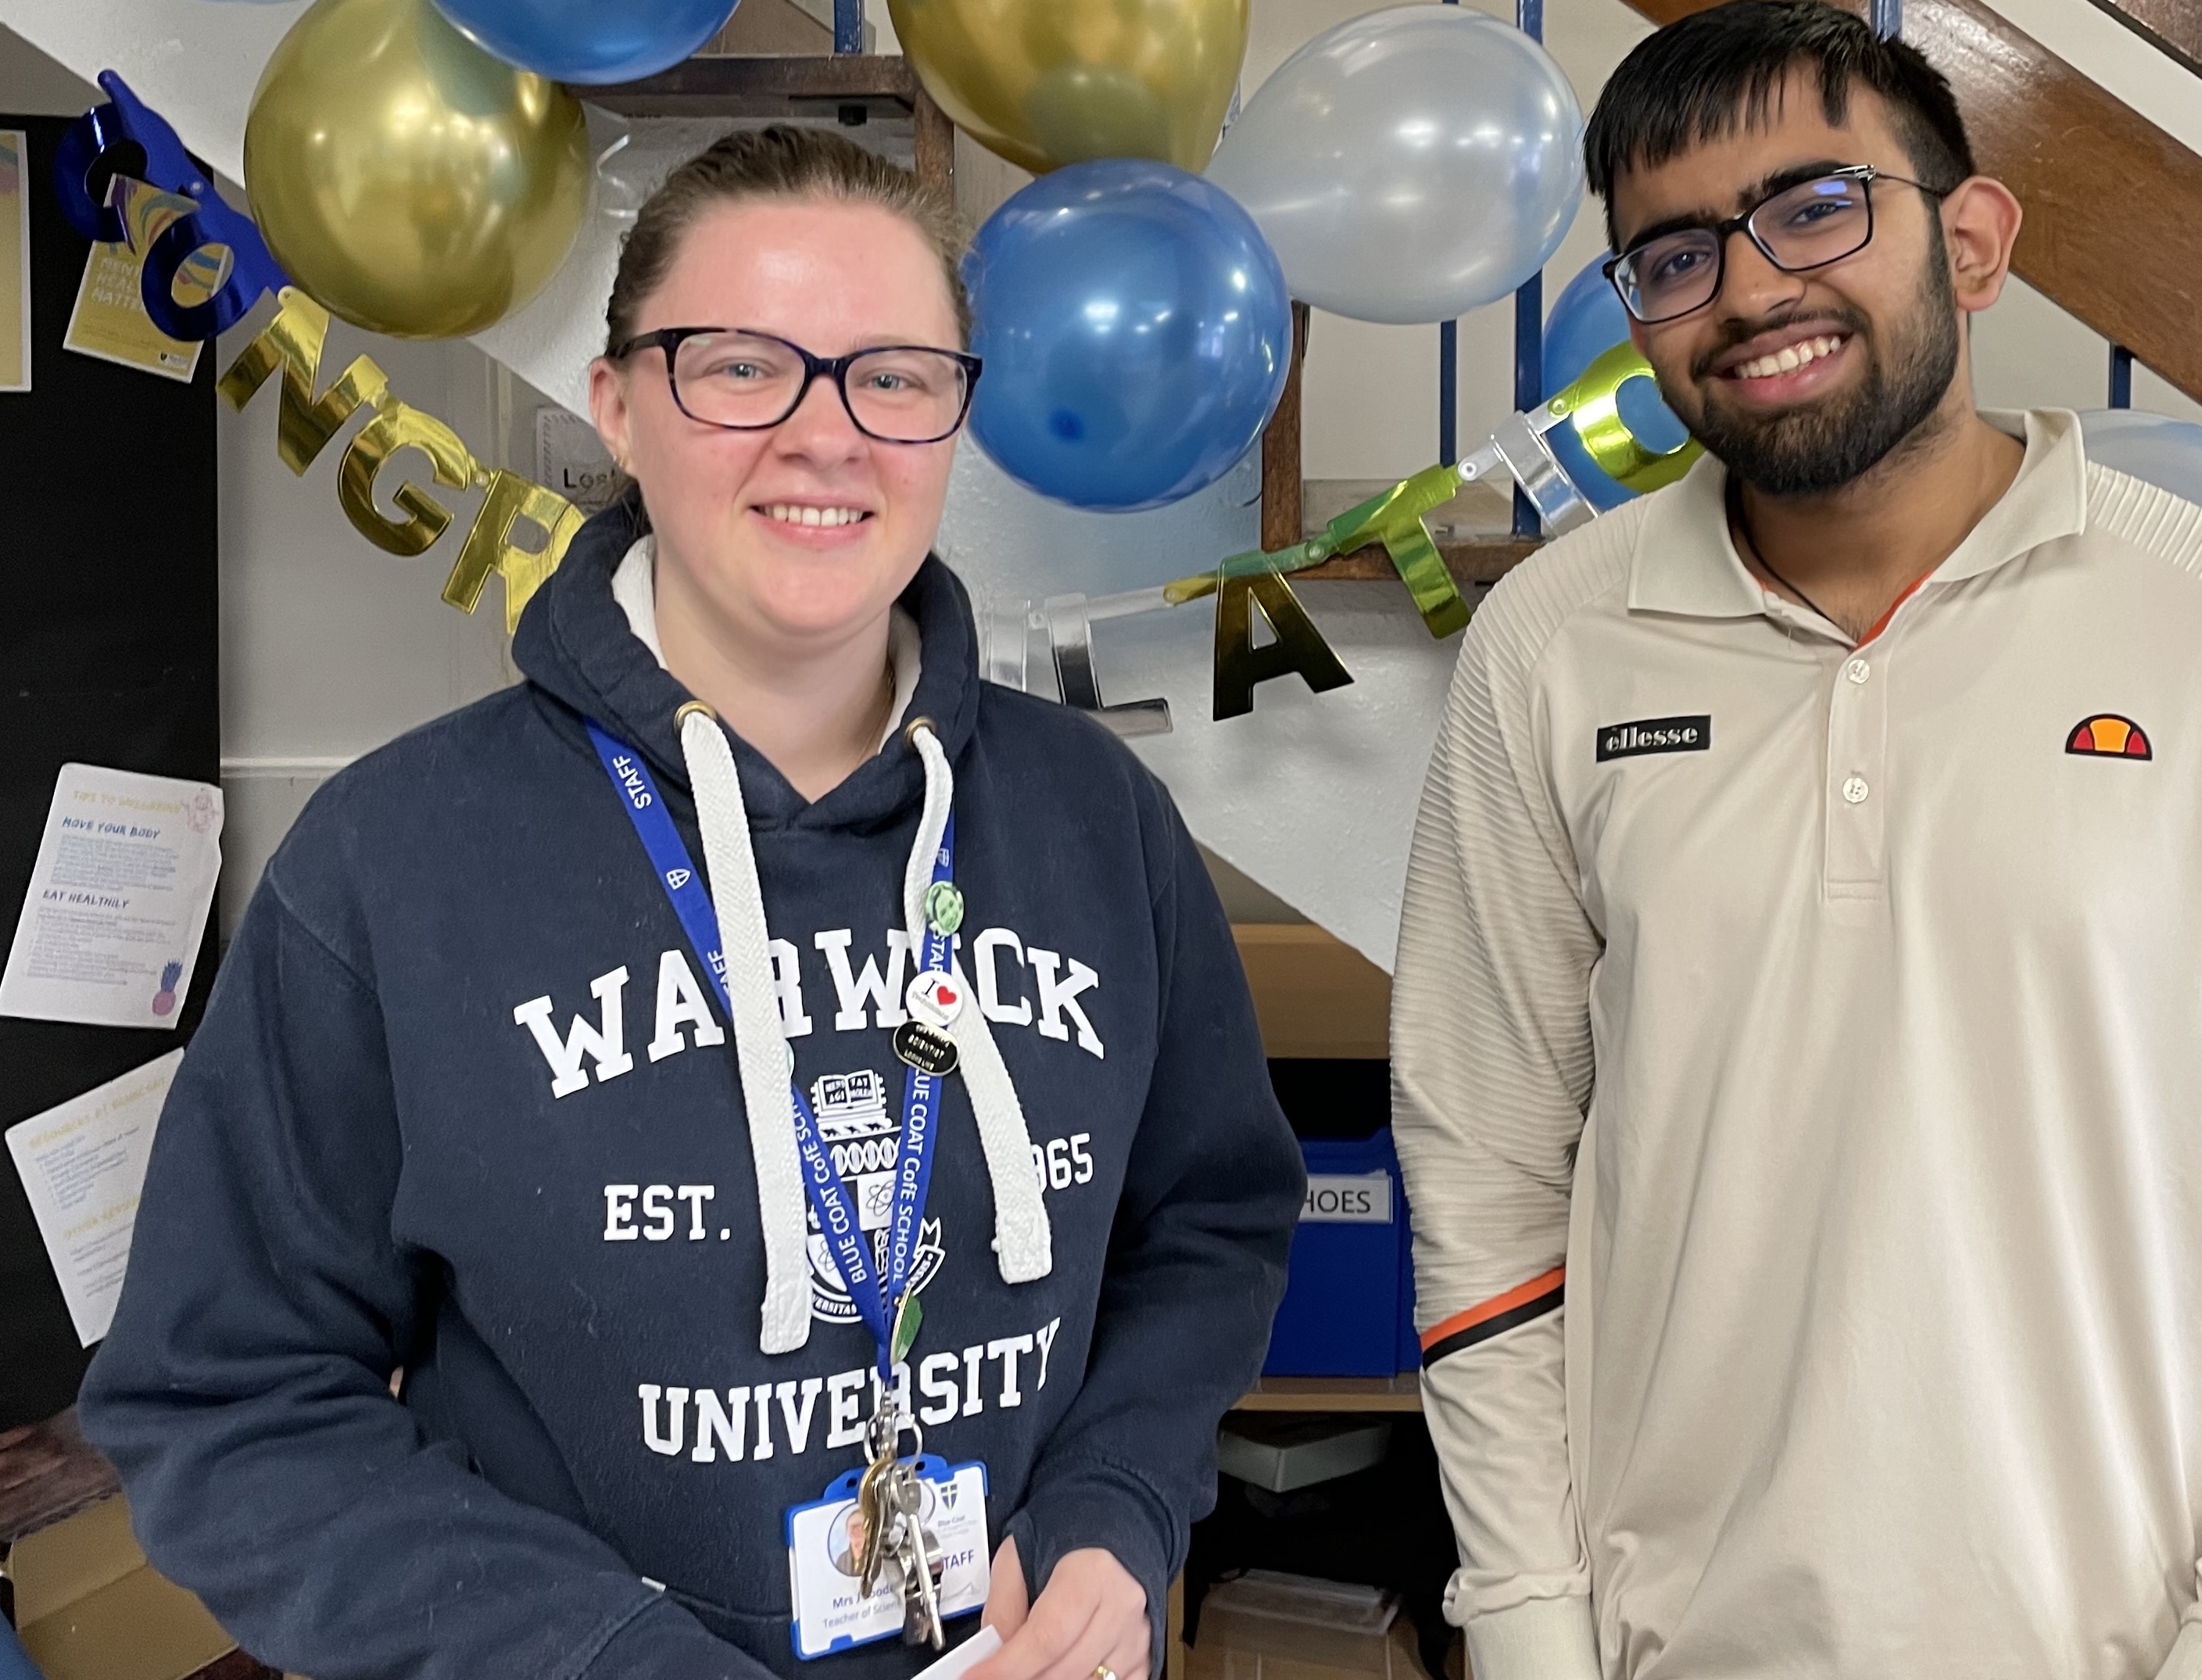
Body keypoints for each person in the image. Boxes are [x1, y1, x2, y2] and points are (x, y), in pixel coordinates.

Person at [86, 126, 1302, 1680]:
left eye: (894, 375)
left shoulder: (1098, 821)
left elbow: (1210, 1223)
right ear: (618, 406)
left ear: (954, 415)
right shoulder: (394, 862)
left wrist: (1121, 1503)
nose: (826, 436)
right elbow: (224, 1402)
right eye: (741, 368)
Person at [1391, 0, 2202, 1680]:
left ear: (1972, 242)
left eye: (1814, 208)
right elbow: (1486, 1190)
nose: (1749, 289)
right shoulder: (1550, 650)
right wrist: (1533, 1636)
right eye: (1674, 258)